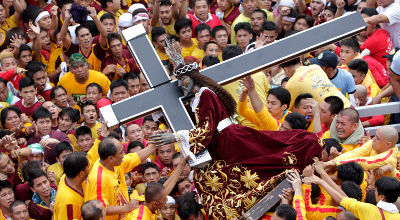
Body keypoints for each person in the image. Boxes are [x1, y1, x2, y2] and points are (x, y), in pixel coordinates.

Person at [150, 60, 324, 218]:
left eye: (183, 79)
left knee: (266, 157)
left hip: (229, 141)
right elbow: (194, 123)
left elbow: (206, 129)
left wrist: (174, 137)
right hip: (221, 144)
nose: (181, 84)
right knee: (210, 178)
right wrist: (162, 117)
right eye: (178, 80)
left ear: (194, 77)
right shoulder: (197, 98)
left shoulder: (205, 94)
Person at [84, 137, 158, 219]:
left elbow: (135, 157)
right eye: (121, 153)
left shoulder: (114, 163)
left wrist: (155, 145)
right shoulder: (98, 178)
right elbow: (100, 209)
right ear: (111, 158)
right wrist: (125, 208)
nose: (123, 155)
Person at [324, 126, 398, 175]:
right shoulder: (372, 143)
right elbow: (355, 153)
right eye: (374, 135)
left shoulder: (390, 158)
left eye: (377, 138)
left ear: (388, 144)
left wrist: (334, 163)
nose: (373, 139)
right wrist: (333, 161)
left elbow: (363, 162)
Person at [54, 152, 89, 220]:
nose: (89, 168)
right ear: (81, 174)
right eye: (88, 166)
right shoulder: (68, 202)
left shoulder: (67, 176)